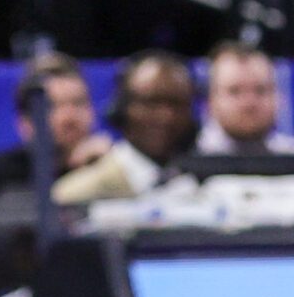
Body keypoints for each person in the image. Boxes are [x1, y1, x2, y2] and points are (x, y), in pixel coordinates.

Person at [51, 51, 198, 204]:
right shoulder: (74, 194)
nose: (166, 117)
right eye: (151, 103)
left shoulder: (200, 184)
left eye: (177, 104)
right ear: (122, 108)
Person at [0, 52, 111, 192]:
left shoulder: (110, 164)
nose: (69, 117)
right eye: (52, 106)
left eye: (78, 103)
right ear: (24, 122)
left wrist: (108, 168)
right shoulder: (4, 176)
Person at [196, 43, 294, 156]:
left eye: (260, 90)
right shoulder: (187, 159)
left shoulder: (290, 154)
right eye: (235, 91)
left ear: (279, 98)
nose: (249, 103)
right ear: (210, 101)